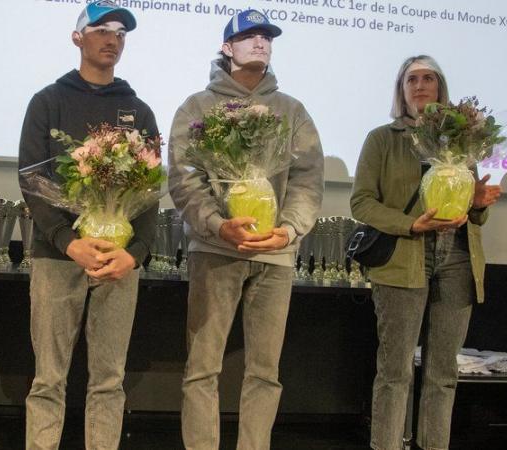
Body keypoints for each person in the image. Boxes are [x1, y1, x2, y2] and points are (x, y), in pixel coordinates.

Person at [168, 9, 324, 450]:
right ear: (226, 47)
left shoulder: (292, 110)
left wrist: (289, 230)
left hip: (275, 255)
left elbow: (307, 178)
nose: (260, 43)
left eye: (267, 37)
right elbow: (184, 178)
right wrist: (219, 225)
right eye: (249, 36)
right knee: (202, 367)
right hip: (215, 250)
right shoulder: (197, 107)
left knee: (265, 372)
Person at [18, 2, 158, 449]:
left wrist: (133, 255)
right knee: (48, 380)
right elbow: (32, 182)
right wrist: (66, 241)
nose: (112, 38)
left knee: (109, 381)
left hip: (118, 266)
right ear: (78, 37)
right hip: (58, 257)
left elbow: (151, 197)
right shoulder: (48, 101)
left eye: (120, 32)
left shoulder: (140, 111)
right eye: (101, 29)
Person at [350, 55, 501, 450]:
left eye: (428, 78)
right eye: (411, 79)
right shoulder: (382, 138)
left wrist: (479, 203)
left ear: (440, 88)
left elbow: (473, 215)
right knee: (395, 371)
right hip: (403, 257)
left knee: (443, 372)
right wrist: (410, 224)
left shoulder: (463, 141)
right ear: (401, 90)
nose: (420, 85)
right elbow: (361, 203)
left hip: (457, 260)